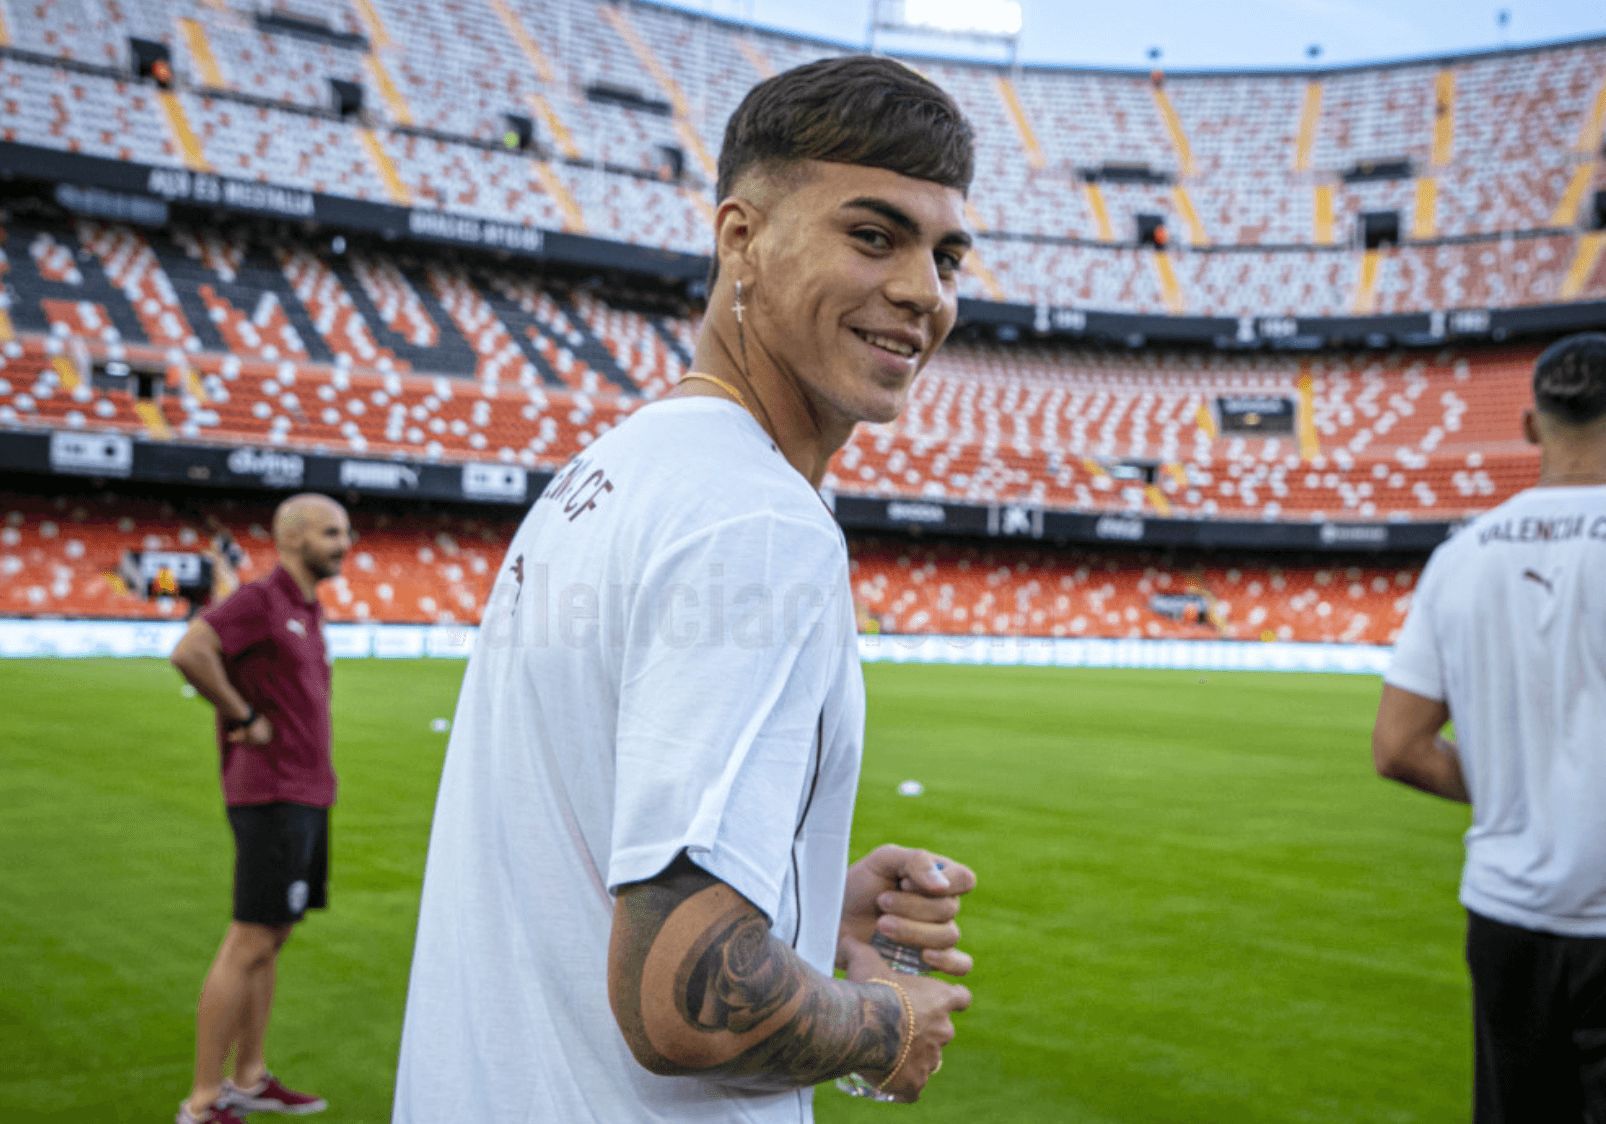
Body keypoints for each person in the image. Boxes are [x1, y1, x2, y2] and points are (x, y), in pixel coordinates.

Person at [394, 55, 980, 1122]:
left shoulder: (610, 471)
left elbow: (607, 870)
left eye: (947, 254)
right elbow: (688, 996)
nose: (921, 292)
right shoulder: (755, 518)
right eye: (872, 235)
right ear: (740, 238)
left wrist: (799, 907)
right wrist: (883, 1023)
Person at [1373, 332, 1606, 1123]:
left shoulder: (1459, 555)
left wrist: (1523, 782)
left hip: (1505, 915)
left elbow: (1399, 749)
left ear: (1532, 425)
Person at [169, 493, 352, 1124]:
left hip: (304, 791)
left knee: (273, 934)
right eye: (332, 533)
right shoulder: (261, 599)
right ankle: (202, 1101)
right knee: (250, 937)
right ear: (295, 537)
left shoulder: (308, 607)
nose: (344, 543)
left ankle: (248, 1076)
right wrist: (242, 716)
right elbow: (191, 651)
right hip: (270, 792)